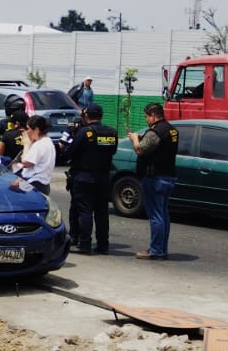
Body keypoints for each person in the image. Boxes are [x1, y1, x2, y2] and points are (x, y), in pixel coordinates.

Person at [63, 103, 118, 255]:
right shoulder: (112, 132)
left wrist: (67, 140)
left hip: (84, 177)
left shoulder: (84, 132)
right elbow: (112, 151)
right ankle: (103, 245)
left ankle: (85, 244)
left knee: (85, 211)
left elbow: (69, 152)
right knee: (102, 212)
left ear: (86, 116)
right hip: (103, 177)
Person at [129, 103, 179, 261]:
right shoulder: (171, 130)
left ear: (153, 115)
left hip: (155, 177)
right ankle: (161, 249)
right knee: (163, 214)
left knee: (156, 215)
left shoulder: (156, 131)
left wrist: (134, 139)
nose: (146, 120)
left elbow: (140, 150)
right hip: (168, 176)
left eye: (146, 116)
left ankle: (156, 250)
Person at [9, 116, 56, 195]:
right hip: (41, 183)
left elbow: (26, 163)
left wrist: (26, 144)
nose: (26, 132)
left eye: (28, 128)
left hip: (35, 184)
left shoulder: (40, 144)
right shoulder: (46, 141)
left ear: (36, 130)